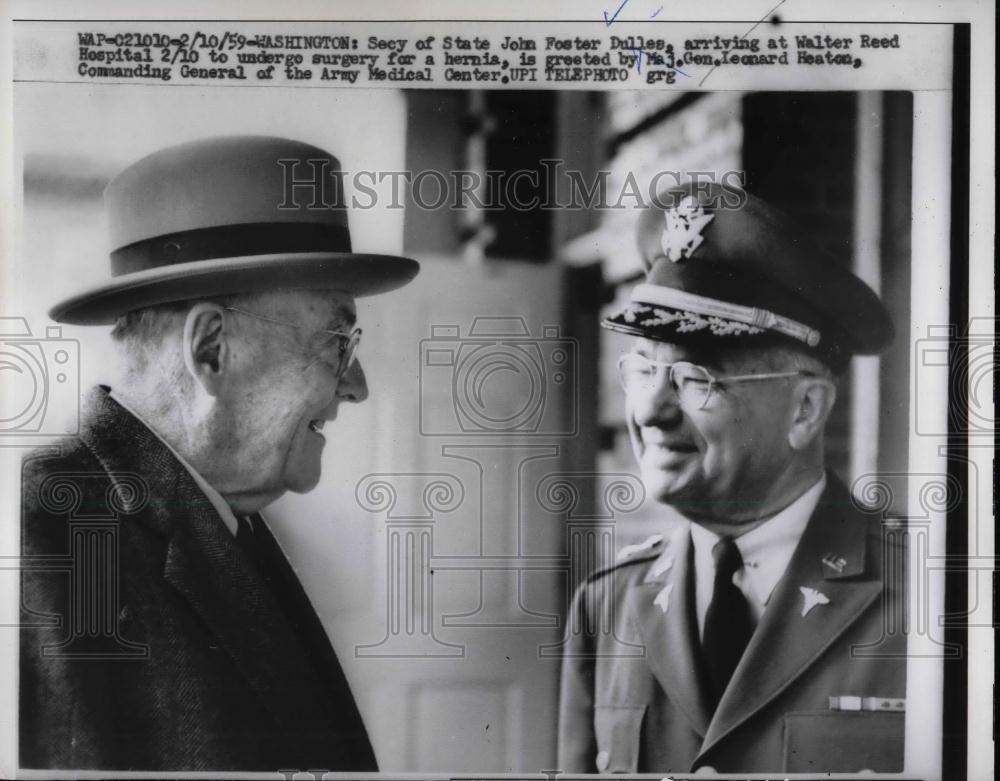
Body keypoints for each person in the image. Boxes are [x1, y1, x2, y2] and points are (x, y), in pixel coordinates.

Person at [19, 136, 419, 771]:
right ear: (212, 350)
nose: (357, 385)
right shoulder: (45, 536)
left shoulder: (225, 514)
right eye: (337, 340)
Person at [558, 182, 906, 774]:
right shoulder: (607, 604)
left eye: (696, 379)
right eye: (643, 371)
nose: (651, 411)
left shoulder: (927, 596)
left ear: (805, 410)